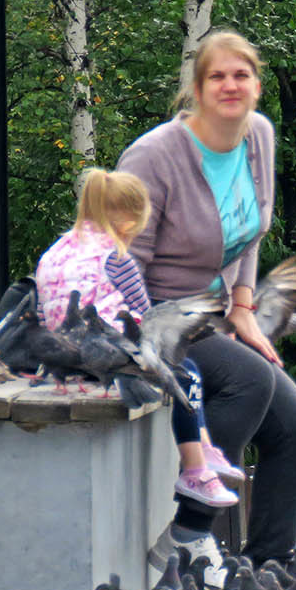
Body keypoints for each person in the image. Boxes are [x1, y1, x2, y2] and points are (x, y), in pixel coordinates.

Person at [117, 30, 296, 583]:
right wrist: (160, 335)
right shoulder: (156, 156)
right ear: (198, 89)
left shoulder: (258, 136)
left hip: (209, 312)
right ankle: (188, 530)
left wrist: (244, 309)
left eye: (241, 75)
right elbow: (121, 258)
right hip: (148, 314)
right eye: (217, 76)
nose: (230, 86)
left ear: (256, 85)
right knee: (248, 381)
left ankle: (265, 576)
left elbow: (251, 235)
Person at [33, 168, 243, 510]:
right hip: (109, 357)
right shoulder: (116, 259)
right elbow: (147, 320)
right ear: (129, 223)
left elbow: (44, 318)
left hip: (67, 362)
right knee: (184, 373)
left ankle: (205, 449)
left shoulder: (51, 255)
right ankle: (195, 468)